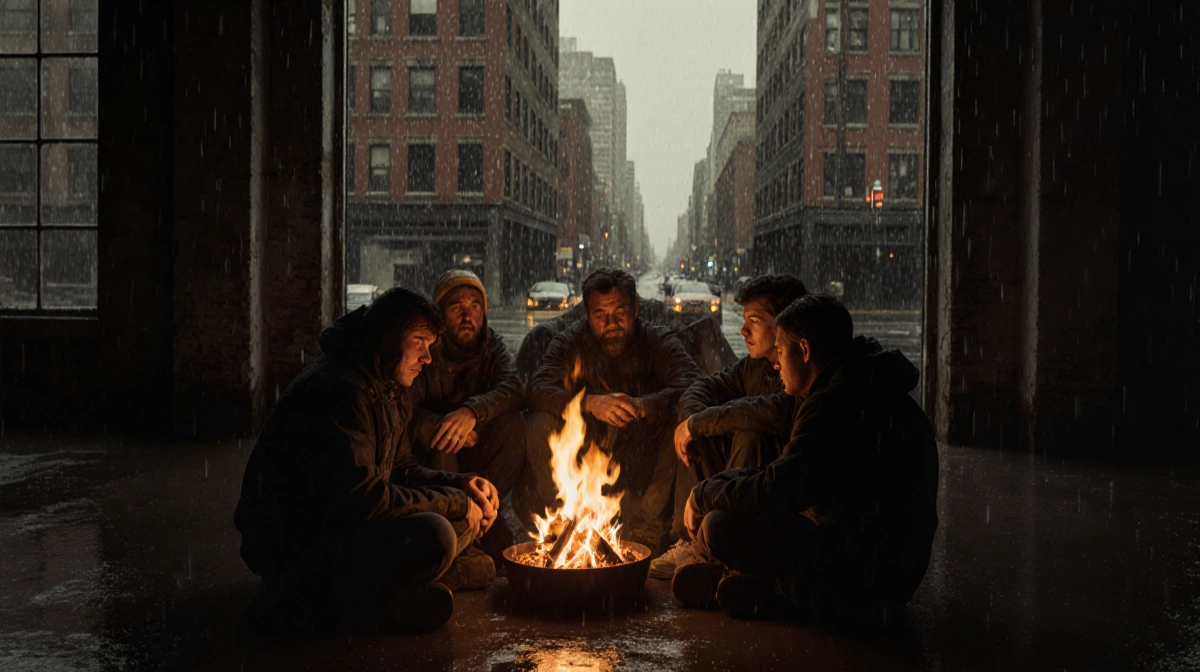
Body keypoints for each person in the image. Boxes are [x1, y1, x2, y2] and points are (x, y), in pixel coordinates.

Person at [234, 288, 499, 635]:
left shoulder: (388, 383)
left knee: (472, 547)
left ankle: (383, 594)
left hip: (345, 525)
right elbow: (365, 499)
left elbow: (402, 469)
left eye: (430, 346)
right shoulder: (342, 389)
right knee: (439, 536)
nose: (428, 358)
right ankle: (307, 605)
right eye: (419, 342)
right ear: (389, 339)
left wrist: (462, 485)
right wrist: (456, 504)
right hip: (292, 542)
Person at [671, 294, 939, 627]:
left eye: (781, 352)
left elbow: (778, 490)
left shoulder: (836, 404)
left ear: (805, 350)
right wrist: (716, 486)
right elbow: (789, 473)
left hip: (867, 582)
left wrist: (704, 495)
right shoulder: (857, 384)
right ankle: (755, 585)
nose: (776, 364)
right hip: (892, 573)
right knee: (737, 512)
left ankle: (776, 592)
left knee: (717, 526)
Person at [515, 268, 703, 551]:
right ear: (587, 316)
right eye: (600, 315)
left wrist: (642, 406)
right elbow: (536, 389)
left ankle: (647, 532)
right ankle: (568, 521)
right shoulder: (571, 342)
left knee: (684, 420)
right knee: (540, 421)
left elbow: (693, 382)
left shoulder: (656, 341)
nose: (611, 323)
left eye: (620, 312)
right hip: (589, 456)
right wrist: (589, 403)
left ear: (636, 308)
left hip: (644, 458)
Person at [649, 274, 808, 579]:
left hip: (778, 496)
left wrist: (698, 423)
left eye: (755, 321)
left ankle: (723, 543)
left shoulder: (803, 368)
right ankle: (689, 541)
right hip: (746, 484)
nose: (743, 330)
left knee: (748, 428)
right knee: (696, 435)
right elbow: (703, 387)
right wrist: (691, 422)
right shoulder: (755, 365)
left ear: (783, 324)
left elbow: (772, 411)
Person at [408, 270, 526, 561]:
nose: (467, 315)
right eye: (456, 307)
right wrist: (443, 423)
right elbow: (406, 409)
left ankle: (486, 513)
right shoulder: (426, 349)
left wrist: (472, 412)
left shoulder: (491, 345)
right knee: (445, 437)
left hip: (477, 448)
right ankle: (460, 525)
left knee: (516, 425)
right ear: (440, 313)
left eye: (475, 306)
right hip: (432, 460)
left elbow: (513, 386)